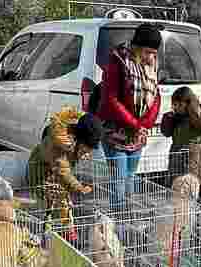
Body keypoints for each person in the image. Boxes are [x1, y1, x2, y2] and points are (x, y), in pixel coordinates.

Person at [97, 24, 162, 216]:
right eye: (148, 52)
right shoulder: (117, 61)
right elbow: (111, 98)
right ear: (137, 46)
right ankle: (118, 221)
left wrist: (144, 126)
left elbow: (156, 97)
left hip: (137, 135)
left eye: (154, 53)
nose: (151, 57)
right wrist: (134, 124)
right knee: (118, 179)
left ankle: (127, 216)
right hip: (115, 132)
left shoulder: (151, 63)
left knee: (130, 178)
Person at [28, 107, 103, 241]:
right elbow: (63, 172)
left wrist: (81, 154)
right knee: (50, 201)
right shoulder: (58, 145)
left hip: (56, 170)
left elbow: (66, 168)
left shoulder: (76, 137)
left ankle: (67, 232)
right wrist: (79, 187)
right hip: (40, 172)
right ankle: (46, 235)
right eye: (87, 148)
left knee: (63, 201)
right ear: (80, 140)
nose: (88, 152)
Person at [160, 86, 201, 214]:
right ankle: (179, 210)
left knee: (194, 183)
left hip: (192, 154)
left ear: (188, 103)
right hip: (176, 152)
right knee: (175, 182)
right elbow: (166, 132)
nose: (175, 107)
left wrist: (196, 109)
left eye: (178, 104)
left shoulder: (196, 117)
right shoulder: (175, 117)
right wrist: (168, 119)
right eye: (174, 104)